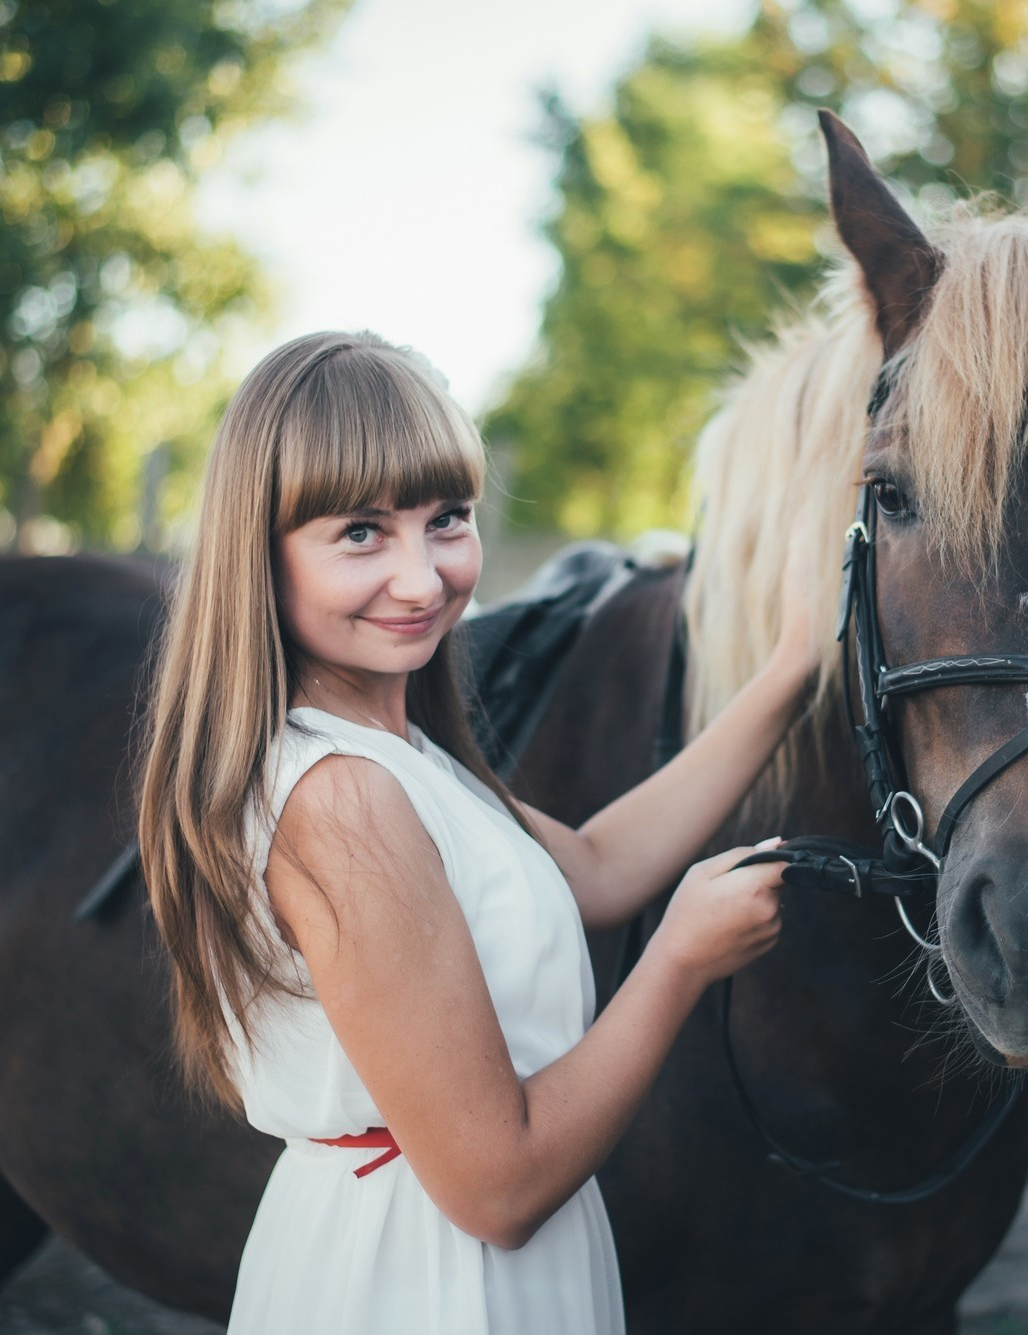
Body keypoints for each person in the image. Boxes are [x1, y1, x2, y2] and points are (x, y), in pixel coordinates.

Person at [139, 330, 812, 1335]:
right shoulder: (341, 797)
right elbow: (497, 1188)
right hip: (425, 1283)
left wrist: (793, 665)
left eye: (446, 519)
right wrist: (678, 959)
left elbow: (597, 866)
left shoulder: (402, 756)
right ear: (260, 556)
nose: (422, 579)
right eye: (360, 533)